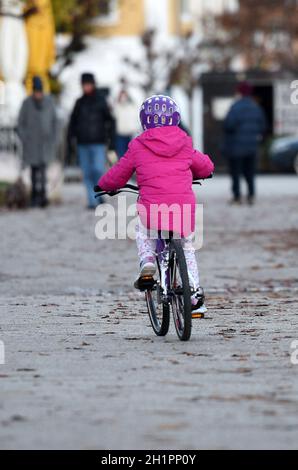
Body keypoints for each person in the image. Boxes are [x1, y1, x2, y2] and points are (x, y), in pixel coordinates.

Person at [97, 95, 214, 315]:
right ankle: (195, 296)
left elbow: (118, 174)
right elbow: (205, 166)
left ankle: (148, 261)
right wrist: (204, 172)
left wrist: (104, 185)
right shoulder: (184, 142)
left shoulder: (138, 145)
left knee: (144, 230)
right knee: (187, 247)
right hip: (182, 208)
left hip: (153, 209)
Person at [68, 73, 115, 209]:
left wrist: (111, 140)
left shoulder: (101, 101)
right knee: (87, 172)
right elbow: (73, 123)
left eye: (88, 84)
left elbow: (111, 121)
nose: (86, 87)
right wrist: (71, 140)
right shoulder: (79, 103)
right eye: (84, 84)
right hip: (82, 143)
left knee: (98, 169)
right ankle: (92, 201)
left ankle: (99, 194)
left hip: (98, 143)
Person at [223, 81, 267, 205]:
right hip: (252, 146)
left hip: (236, 147)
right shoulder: (256, 107)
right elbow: (263, 126)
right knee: (250, 173)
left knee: (235, 173)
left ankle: (237, 197)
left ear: (240, 92)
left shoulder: (235, 107)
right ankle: (251, 196)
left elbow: (228, 125)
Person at [18, 75, 58, 208]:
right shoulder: (26, 103)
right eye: (36, 92)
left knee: (44, 171)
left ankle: (43, 196)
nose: (38, 95)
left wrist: (53, 138)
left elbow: (54, 122)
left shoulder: (49, 102)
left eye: (39, 92)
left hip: (45, 143)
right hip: (32, 143)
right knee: (34, 171)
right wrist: (25, 137)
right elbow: (21, 122)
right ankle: (35, 196)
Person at [113, 89, 139, 158]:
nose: (123, 98)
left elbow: (136, 118)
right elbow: (114, 116)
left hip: (130, 134)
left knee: (131, 155)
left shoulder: (132, 106)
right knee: (121, 156)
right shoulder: (116, 106)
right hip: (120, 135)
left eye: (125, 95)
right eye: (122, 96)